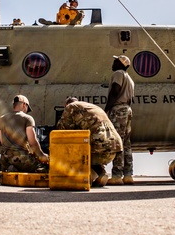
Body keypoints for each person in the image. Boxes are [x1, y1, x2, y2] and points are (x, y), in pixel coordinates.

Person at [56, 96, 122, 188]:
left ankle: (90, 174)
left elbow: (63, 131)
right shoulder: (90, 107)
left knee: (71, 148)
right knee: (90, 148)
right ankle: (101, 173)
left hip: (100, 147)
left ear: (66, 105)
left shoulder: (70, 107)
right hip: (114, 147)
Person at [0, 94, 49, 172]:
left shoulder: (1, 119)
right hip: (21, 159)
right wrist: (42, 156)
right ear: (24, 105)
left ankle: (12, 168)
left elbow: (2, 141)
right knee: (43, 168)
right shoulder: (27, 118)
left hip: (4, 160)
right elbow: (33, 143)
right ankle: (18, 167)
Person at [106, 55, 135, 184]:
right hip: (127, 110)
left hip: (118, 110)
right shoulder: (130, 79)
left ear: (120, 64)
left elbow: (115, 91)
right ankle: (128, 175)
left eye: (115, 61)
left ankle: (117, 175)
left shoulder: (118, 73)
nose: (113, 62)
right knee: (126, 143)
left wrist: (107, 109)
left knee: (117, 141)